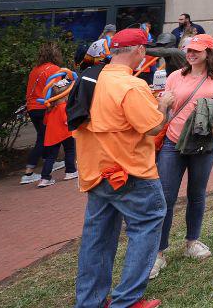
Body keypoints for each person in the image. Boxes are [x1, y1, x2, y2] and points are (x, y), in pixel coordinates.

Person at [73, 28, 175, 308]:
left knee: (97, 237)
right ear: (139, 51)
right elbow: (153, 126)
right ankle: (128, 300)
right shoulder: (131, 86)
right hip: (130, 172)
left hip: (96, 171)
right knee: (147, 223)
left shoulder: (91, 78)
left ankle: (89, 302)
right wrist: (164, 105)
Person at [150, 33, 213, 279]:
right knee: (166, 196)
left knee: (197, 194)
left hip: (204, 145)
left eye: (197, 50)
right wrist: (164, 103)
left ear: (209, 53)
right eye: (189, 50)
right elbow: (164, 106)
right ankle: (159, 252)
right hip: (173, 142)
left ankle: (192, 241)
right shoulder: (175, 76)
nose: (191, 54)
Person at [22, 42, 66, 184]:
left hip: (32, 107)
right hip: (46, 108)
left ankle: (47, 163)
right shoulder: (55, 69)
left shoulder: (35, 70)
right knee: (46, 138)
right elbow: (58, 90)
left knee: (43, 136)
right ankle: (29, 172)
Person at [38, 74, 77, 188]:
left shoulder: (51, 108)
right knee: (69, 150)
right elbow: (67, 120)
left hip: (52, 136)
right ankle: (70, 171)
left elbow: (45, 122)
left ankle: (45, 178)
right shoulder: (65, 107)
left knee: (51, 156)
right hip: (65, 133)